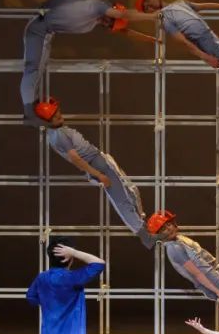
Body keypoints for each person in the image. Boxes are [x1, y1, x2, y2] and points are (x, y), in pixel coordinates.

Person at [112, 0, 219, 129]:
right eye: (146, 7)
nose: (150, 5)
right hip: (207, 43)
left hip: (210, 39)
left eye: (148, 1)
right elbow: (183, 42)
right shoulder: (164, 17)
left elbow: (202, 6)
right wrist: (206, 57)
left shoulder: (180, 3)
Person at [33, 98, 154, 248]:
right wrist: (98, 174)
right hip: (97, 165)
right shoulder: (59, 134)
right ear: (47, 121)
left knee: (129, 193)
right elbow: (76, 159)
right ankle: (146, 236)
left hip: (99, 163)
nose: (58, 115)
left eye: (56, 112)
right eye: (52, 116)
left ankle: (146, 230)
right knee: (123, 200)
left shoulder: (57, 132)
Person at [21, 0, 154, 126]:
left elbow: (123, 29)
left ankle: (32, 111)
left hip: (44, 28)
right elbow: (122, 15)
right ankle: (30, 114)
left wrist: (152, 39)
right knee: (33, 70)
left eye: (108, 25)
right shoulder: (96, 6)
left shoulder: (94, 16)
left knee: (36, 71)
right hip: (40, 29)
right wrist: (154, 16)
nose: (106, 24)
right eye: (109, 21)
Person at [145, 209, 219, 329]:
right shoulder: (174, 248)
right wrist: (216, 291)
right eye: (163, 229)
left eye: (168, 224)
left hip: (217, 273)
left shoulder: (179, 240)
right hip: (213, 279)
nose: (168, 229)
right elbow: (197, 273)